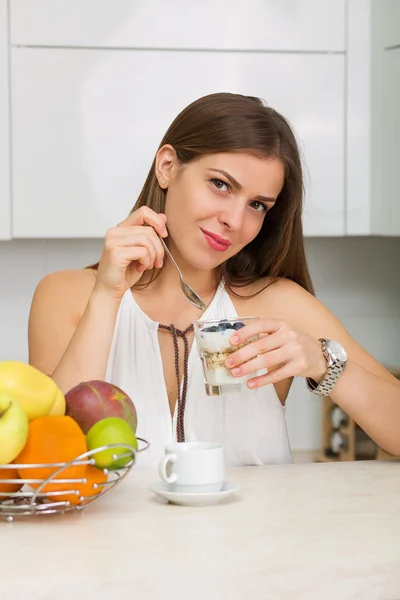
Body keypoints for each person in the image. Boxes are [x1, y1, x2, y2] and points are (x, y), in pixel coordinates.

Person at [28, 92, 400, 468]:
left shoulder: (277, 305)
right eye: (221, 184)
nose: (234, 222)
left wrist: (322, 362)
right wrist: (107, 296)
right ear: (168, 166)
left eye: (257, 205)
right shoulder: (66, 296)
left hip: (263, 530)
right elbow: (48, 463)